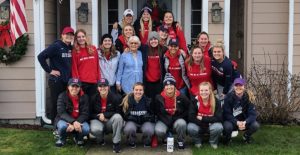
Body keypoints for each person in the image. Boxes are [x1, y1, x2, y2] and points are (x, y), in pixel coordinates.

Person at [37, 26, 74, 124]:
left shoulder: (70, 47)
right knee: (56, 103)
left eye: (71, 35)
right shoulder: (56, 46)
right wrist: (49, 70)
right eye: (67, 34)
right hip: (56, 81)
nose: (69, 36)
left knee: (65, 103)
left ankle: (65, 124)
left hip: (67, 81)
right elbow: (41, 57)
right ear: (62, 35)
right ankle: (55, 125)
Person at [155, 73, 190, 149]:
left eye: (171, 85)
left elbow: (188, 110)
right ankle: (166, 137)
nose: (169, 87)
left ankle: (181, 140)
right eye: (166, 85)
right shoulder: (159, 97)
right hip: (164, 120)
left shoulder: (181, 97)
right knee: (158, 130)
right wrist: (166, 120)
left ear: (174, 86)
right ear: (164, 87)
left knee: (182, 124)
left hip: (176, 120)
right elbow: (157, 112)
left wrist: (177, 117)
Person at [89, 78, 123, 153]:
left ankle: (116, 143)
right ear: (98, 88)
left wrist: (104, 115)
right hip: (98, 121)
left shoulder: (116, 98)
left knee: (118, 118)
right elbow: (89, 114)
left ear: (108, 87)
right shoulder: (93, 98)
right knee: (96, 129)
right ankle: (100, 139)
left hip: (109, 121)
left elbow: (119, 113)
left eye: (105, 86)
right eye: (100, 86)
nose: (102, 88)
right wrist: (98, 116)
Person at [223, 78, 260, 145]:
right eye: (236, 85)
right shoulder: (228, 97)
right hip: (232, 122)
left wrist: (245, 122)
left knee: (255, 125)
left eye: (240, 85)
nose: (238, 87)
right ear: (233, 87)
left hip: (244, 122)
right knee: (227, 126)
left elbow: (253, 115)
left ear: (244, 86)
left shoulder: (249, 97)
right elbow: (227, 114)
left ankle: (246, 136)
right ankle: (227, 139)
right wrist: (236, 122)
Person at [55, 78, 90, 147]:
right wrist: (73, 122)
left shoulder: (85, 97)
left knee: (86, 129)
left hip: (79, 120)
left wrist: (76, 123)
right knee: (62, 126)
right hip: (65, 120)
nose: (74, 88)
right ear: (68, 87)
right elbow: (61, 112)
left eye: (77, 86)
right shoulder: (62, 96)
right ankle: (62, 139)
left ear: (80, 88)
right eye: (72, 86)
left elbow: (85, 113)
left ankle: (78, 138)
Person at [187, 82, 223, 149]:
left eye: (206, 90)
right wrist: (203, 122)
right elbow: (191, 117)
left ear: (210, 91)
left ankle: (213, 142)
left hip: (211, 125)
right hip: (199, 125)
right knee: (190, 127)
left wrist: (202, 118)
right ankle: (198, 142)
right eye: (201, 90)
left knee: (219, 127)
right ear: (199, 91)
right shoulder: (194, 101)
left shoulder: (216, 101)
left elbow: (219, 118)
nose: (204, 92)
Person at [121, 82, 155, 148]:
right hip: (132, 122)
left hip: (145, 122)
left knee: (149, 129)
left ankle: (146, 141)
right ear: (133, 90)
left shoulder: (148, 101)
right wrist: (131, 118)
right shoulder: (127, 100)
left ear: (143, 91)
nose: (138, 92)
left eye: (140, 90)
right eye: (136, 90)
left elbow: (152, 115)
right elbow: (124, 115)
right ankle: (131, 141)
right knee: (129, 129)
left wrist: (147, 118)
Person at [71, 29, 101, 97]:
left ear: (86, 37)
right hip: (82, 83)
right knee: (84, 105)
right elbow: (74, 69)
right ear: (76, 39)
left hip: (94, 82)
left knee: (93, 104)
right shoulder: (75, 52)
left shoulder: (93, 49)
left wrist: (99, 81)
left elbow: (97, 66)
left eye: (83, 36)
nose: (81, 38)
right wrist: (77, 84)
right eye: (79, 37)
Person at [143, 31, 167, 101]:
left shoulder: (163, 49)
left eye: (155, 39)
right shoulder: (145, 49)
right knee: (149, 100)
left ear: (158, 40)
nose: (153, 41)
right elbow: (135, 45)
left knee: (158, 100)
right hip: (148, 81)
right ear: (149, 41)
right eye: (151, 39)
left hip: (159, 81)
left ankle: (158, 112)